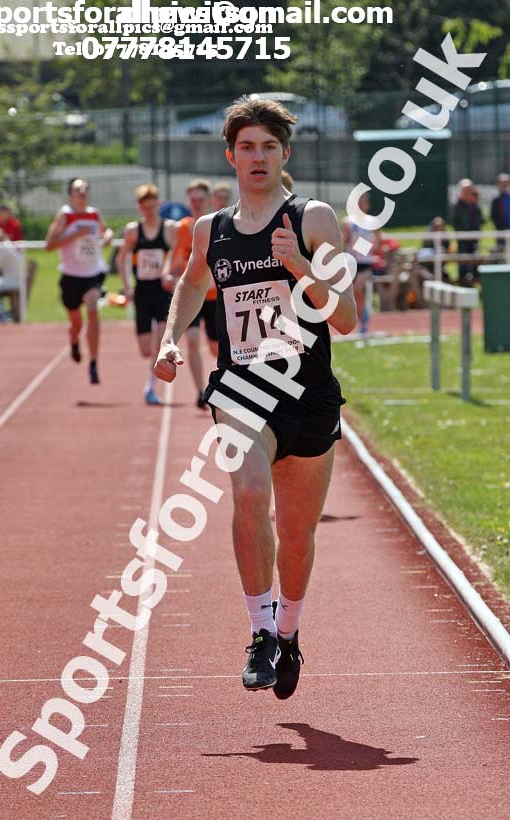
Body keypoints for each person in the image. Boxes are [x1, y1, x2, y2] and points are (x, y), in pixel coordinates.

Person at [155, 96, 356, 697]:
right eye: (247, 146)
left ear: (284, 154)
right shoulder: (208, 230)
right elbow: (192, 287)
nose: (258, 156)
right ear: (231, 157)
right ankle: (260, 631)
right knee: (247, 490)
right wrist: (170, 340)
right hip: (241, 387)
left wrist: (301, 268)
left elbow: (345, 318)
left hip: (309, 394)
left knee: (296, 535)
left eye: (269, 146)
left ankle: (290, 632)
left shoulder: (313, 220)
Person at [45, 178, 112, 384]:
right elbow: (49, 245)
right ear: (70, 195)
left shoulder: (94, 214)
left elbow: (105, 230)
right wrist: (75, 235)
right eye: (77, 190)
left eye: (85, 189)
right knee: (76, 322)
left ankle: (93, 362)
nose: (82, 192)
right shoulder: (65, 216)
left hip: (93, 274)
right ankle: (74, 340)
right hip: (71, 277)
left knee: (93, 308)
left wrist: (108, 236)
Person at [117, 184, 177, 405]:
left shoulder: (169, 228)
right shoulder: (133, 230)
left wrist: (170, 273)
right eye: (145, 207)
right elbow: (121, 257)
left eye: (153, 206)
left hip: (162, 292)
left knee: (160, 342)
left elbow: (176, 253)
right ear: (139, 207)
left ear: (158, 205)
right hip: (142, 291)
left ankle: (150, 386)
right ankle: (151, 376)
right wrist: (127, 286)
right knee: (145, 349)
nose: (149, 211)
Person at [165, 179, 213, 408]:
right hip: (193, 293)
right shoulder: (182, 228)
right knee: (192, 340)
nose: (195, 204)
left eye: (200, 200)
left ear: (208, 201)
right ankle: (200, 392)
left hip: (215, 296)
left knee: (215, 347)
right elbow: (174, 256)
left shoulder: (218, 224)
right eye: (192, 200)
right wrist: (167, 273)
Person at [342, 191, 376, 334]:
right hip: (352, 262)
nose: (363, 203)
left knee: (357, 289)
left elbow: (377, 241)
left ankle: (364, 319)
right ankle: (363, 321)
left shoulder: (372, 221)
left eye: (365, 200)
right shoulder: (348, 221)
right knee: (355, 294)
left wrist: (363, 247)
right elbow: (343, 241)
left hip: (366, 262)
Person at [452, 179, 483, 285]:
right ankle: (462, 284)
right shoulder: (457, 206)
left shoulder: (475, 205)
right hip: (463, 240)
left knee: (475, 262)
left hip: (474, 239)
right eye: (466, 190)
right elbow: (455, 222)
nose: (469, 192)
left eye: (470, 190)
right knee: (463, 262)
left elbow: (481, 220)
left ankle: (473, 283)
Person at [490, 173, 510, 250]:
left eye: (506, 182)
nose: (504, 185)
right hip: (501, 230)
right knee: (501, 250)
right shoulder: (495, 199)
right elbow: (493, 215)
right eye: (502, 183)